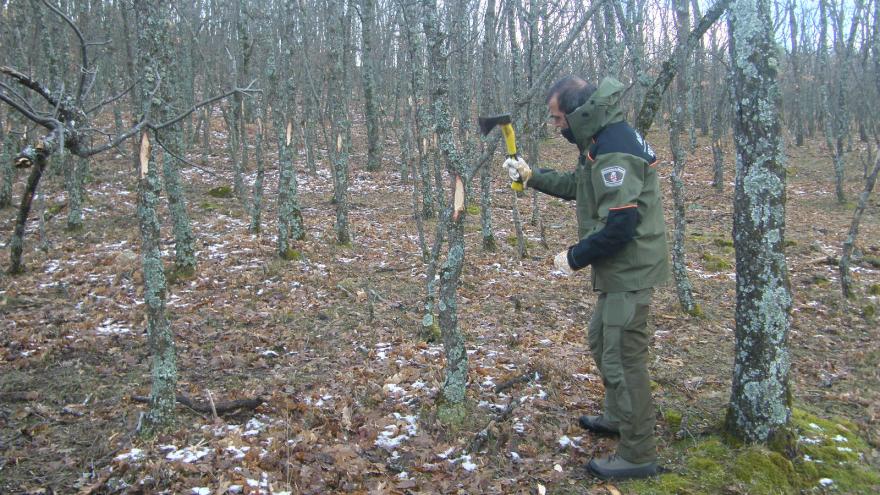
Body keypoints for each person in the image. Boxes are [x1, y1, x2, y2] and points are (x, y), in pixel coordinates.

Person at [503, 75, 669, 480]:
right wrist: (532, 175)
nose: (556, 126)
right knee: (601, 340)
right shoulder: (601, 139)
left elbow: (620, 227)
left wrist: (574, 257)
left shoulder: (614, 150)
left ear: (579, 113)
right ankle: (617, 417)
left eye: (558, 118)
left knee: (623, 358)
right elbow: (582, 186)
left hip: (630, 268)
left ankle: (638, 451)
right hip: (619, 268)